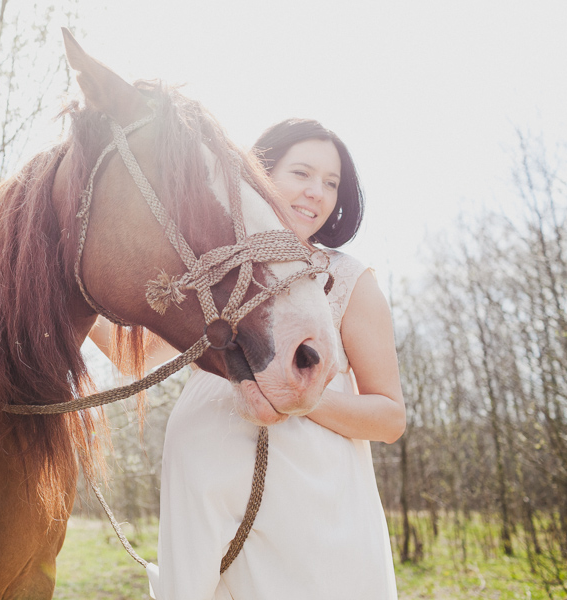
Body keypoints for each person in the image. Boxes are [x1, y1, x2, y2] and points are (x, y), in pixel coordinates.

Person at [90, 118, 405, 599]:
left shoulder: (348, 281)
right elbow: (133, 358)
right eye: (301, 173)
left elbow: (389, 417)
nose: (316, 193)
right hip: (206, 525)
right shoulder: (216, 274)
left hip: (311, 532)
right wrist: (68, 297)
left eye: (331, 182)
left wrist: (290, 389)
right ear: (259, 176)